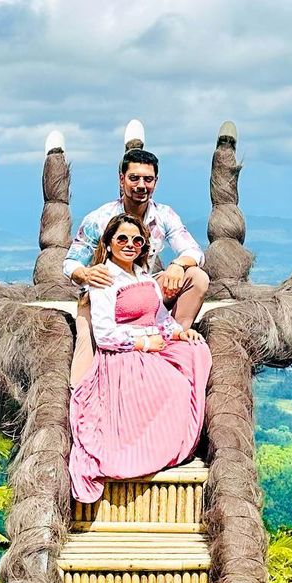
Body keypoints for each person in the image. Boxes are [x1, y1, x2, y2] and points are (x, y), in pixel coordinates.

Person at [68, 212, 212, 502]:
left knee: (197, 352)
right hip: (124, 354)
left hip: (151, 343)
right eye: (122, 238)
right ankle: (151, 450)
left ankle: (173, 442)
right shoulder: (104, 278)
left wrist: (179, 333)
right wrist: (144, 342)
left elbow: (158, 315)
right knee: (172, 387)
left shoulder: (142, 274)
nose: (130, 244)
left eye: (137, 240)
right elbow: (107, 334)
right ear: (108, 244)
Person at [63, 142, 210, 329]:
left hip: (144, 292)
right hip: (104, 293)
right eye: (134, 178)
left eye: (148, 179)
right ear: (121, 179)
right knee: (86, 346)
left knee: (197, 276)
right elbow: (70, 263)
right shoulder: (99, 218)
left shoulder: (164, 215)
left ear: (156, 181)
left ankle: (179, 335)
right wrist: (85, 274)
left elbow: (194, 251)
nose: (141, 186)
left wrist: (178, 265)